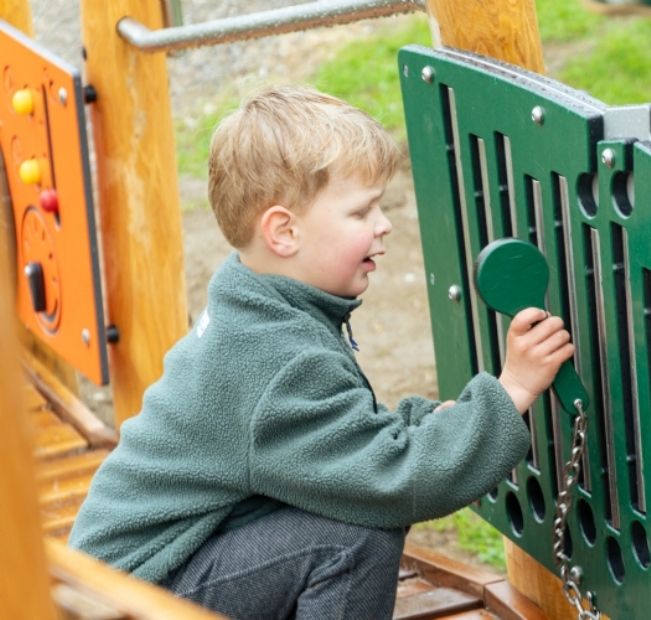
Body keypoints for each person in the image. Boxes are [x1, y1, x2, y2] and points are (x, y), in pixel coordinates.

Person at [68, 86, 575, 620]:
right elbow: (394, 480)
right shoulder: (277, 361)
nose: (384, 225)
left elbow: (335, 439)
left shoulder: (253, 298)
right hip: (125, 602)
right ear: (284, 231)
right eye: (362, 212)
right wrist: (512, 389)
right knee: (356, 533)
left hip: (134, 578)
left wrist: (430, 423)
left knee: (343, 509)